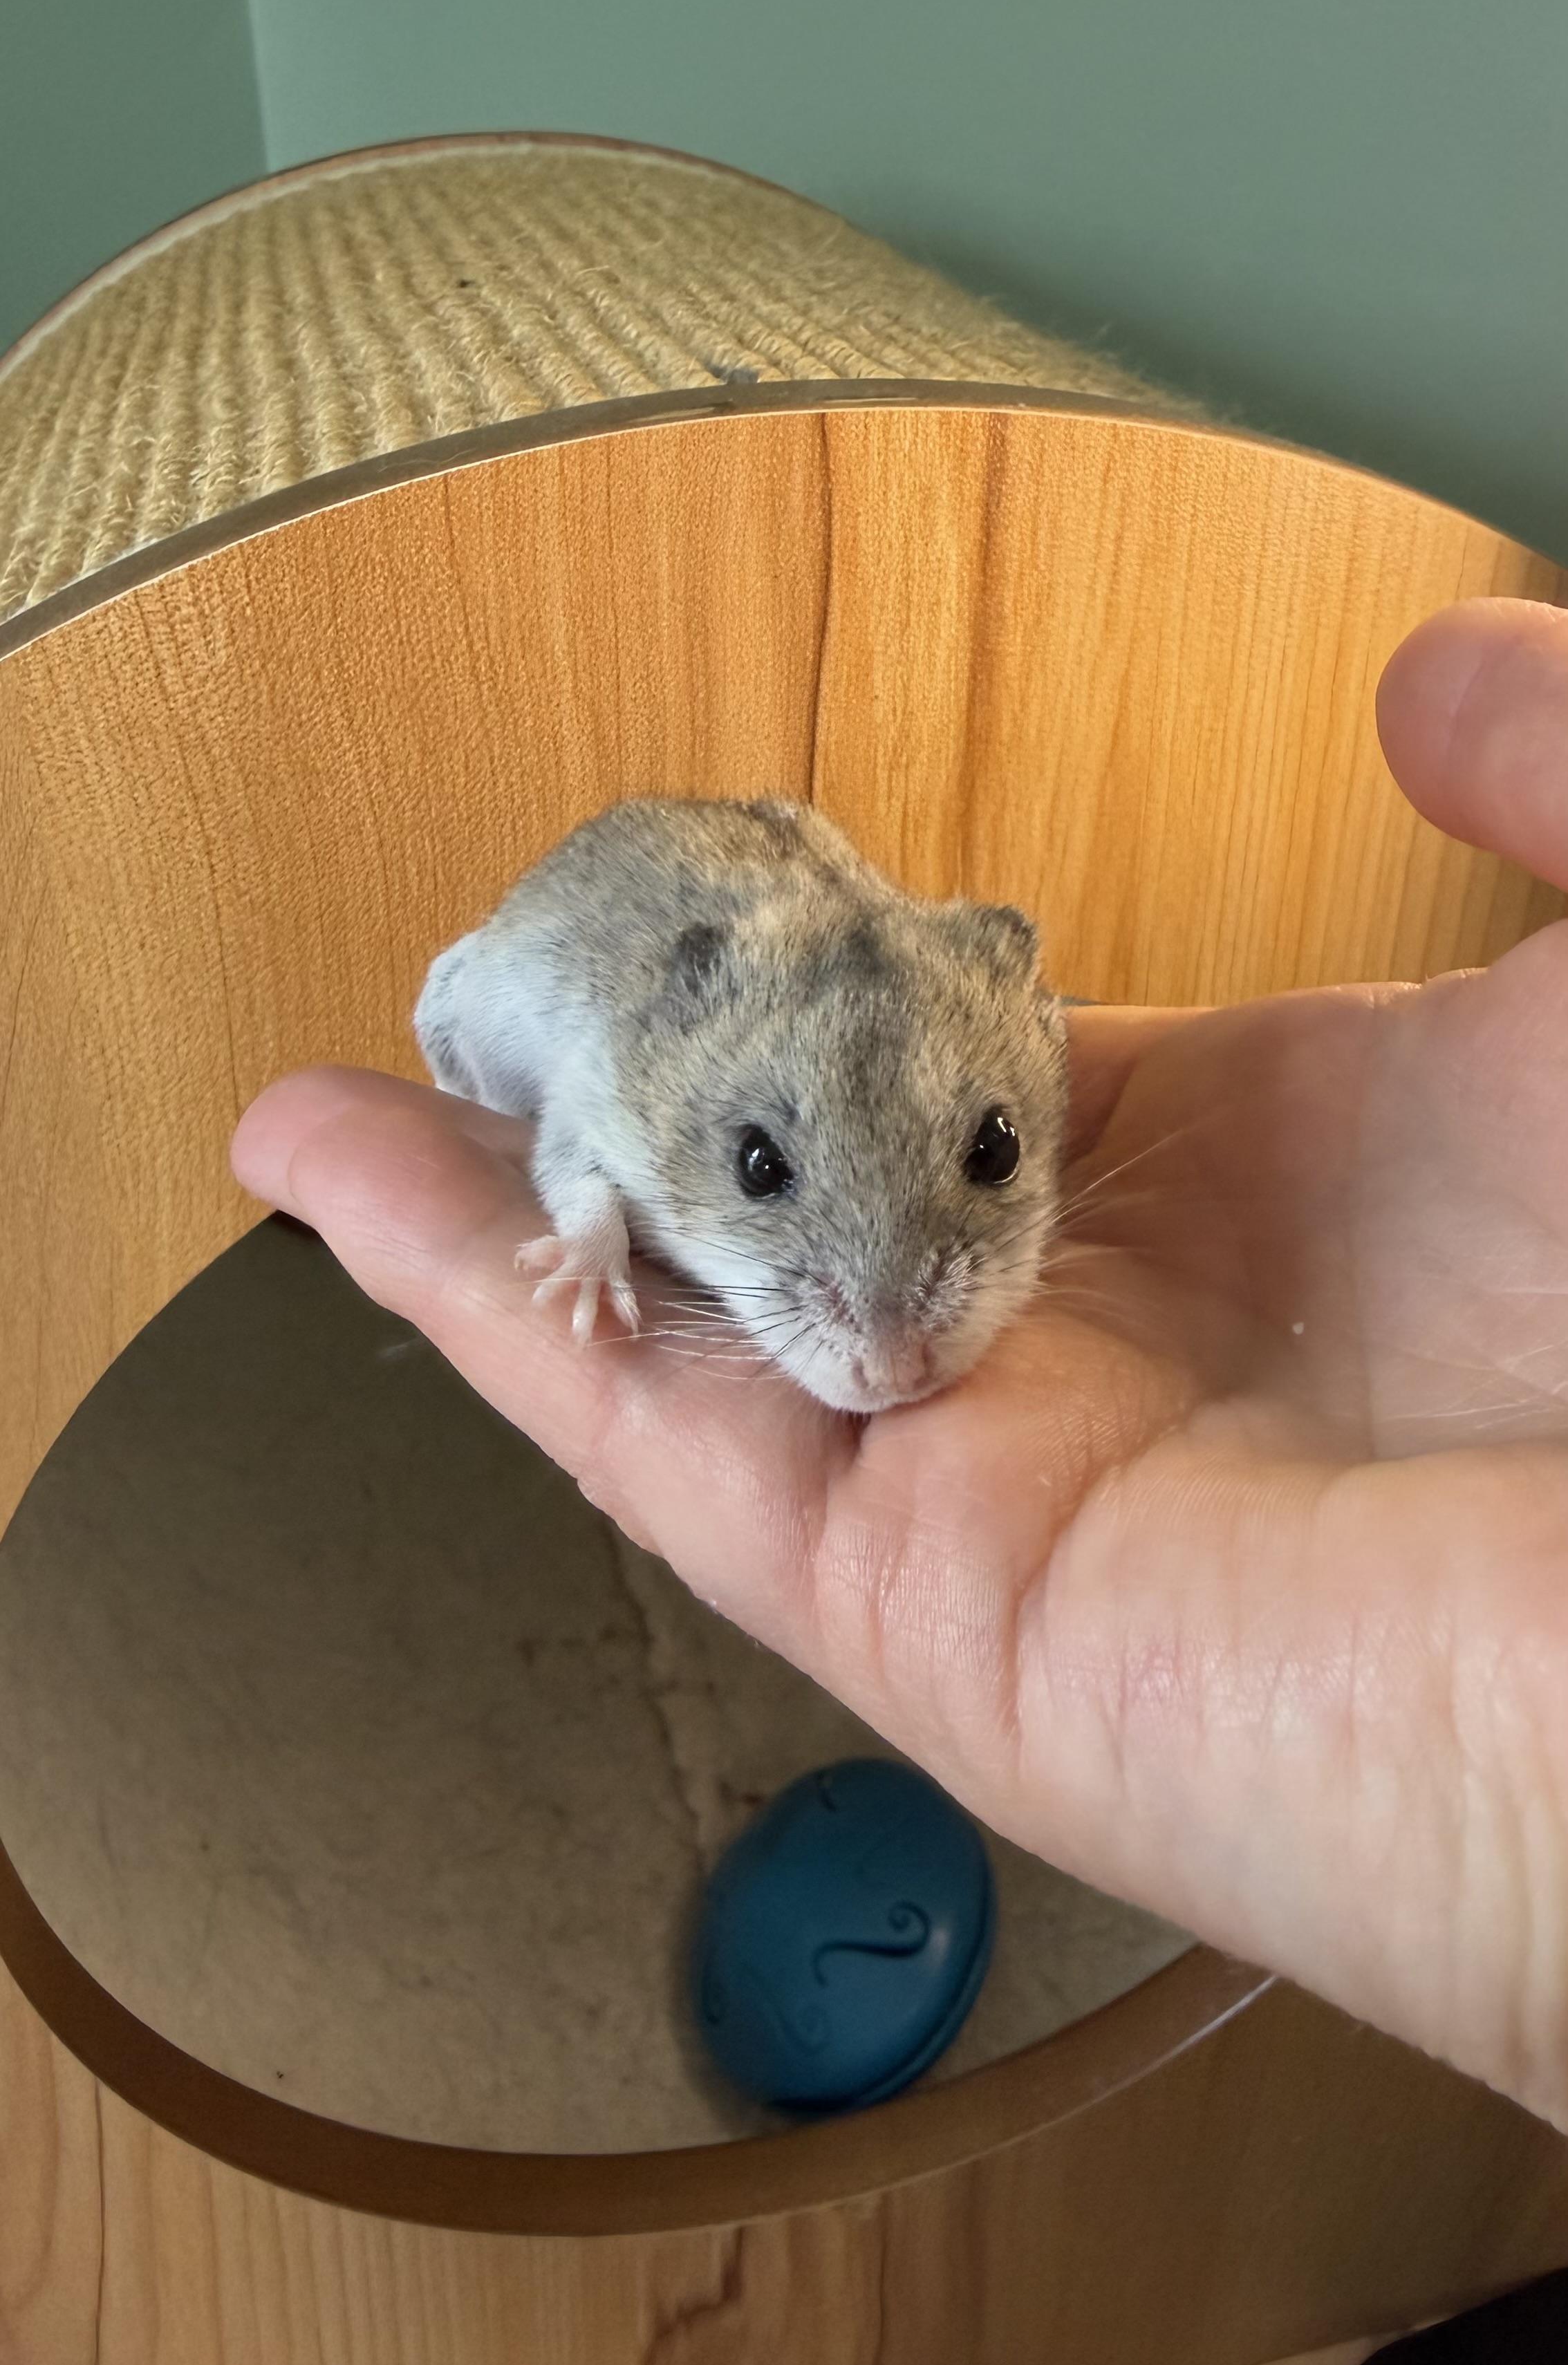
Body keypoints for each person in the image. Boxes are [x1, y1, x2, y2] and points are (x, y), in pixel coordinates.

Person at [232, 595, 1568, 2129]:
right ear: (699, 1098)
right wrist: (590, 1226)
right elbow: (580, 1129)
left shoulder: (975, 987)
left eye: (989, 1155)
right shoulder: (658, 1042)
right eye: (760, 1168)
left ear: (1034, 1057)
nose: (885, 1345)